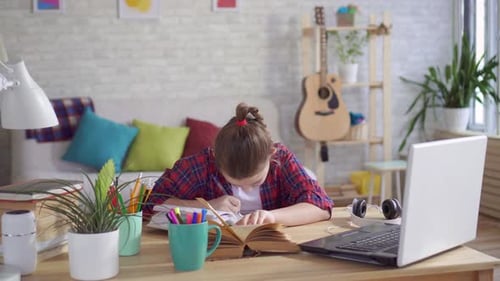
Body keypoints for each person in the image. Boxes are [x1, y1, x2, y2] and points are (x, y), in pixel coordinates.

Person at [143, 102, 333, 226]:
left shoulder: (282, 160)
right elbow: (151, 204)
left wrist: (271, 217)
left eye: (256, 182)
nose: (245, 189)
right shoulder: (199, 165)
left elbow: (321, 207)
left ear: (271, 155)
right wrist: (206, 206)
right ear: (216, 158)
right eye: (234, 182)